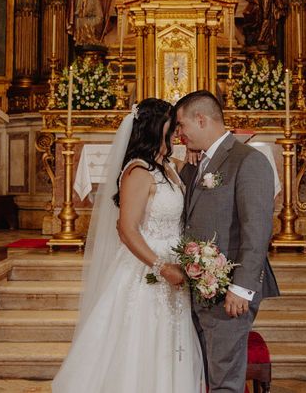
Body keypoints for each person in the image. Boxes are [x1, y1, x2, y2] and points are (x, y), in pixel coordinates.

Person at [52, 98, 204, 393]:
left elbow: (190, 172)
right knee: (143, 343)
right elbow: (126, 229)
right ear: (154, 128)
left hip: (176, 266)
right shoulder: (138, 171)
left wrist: (195, 154)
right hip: (148, 270)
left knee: (173, 343)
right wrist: (161, 267)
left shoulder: (169, 166)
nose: (176, 132)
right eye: (171, 125)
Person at [174, 90, 279, 392]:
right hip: (202, 287)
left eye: (182, 126)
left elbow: (256, 229)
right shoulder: (201, 162)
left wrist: (242, 288)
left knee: (225, 382)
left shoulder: (249, 161)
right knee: (207, 375)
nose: (180, 134)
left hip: (229, 290)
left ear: (201, 119)